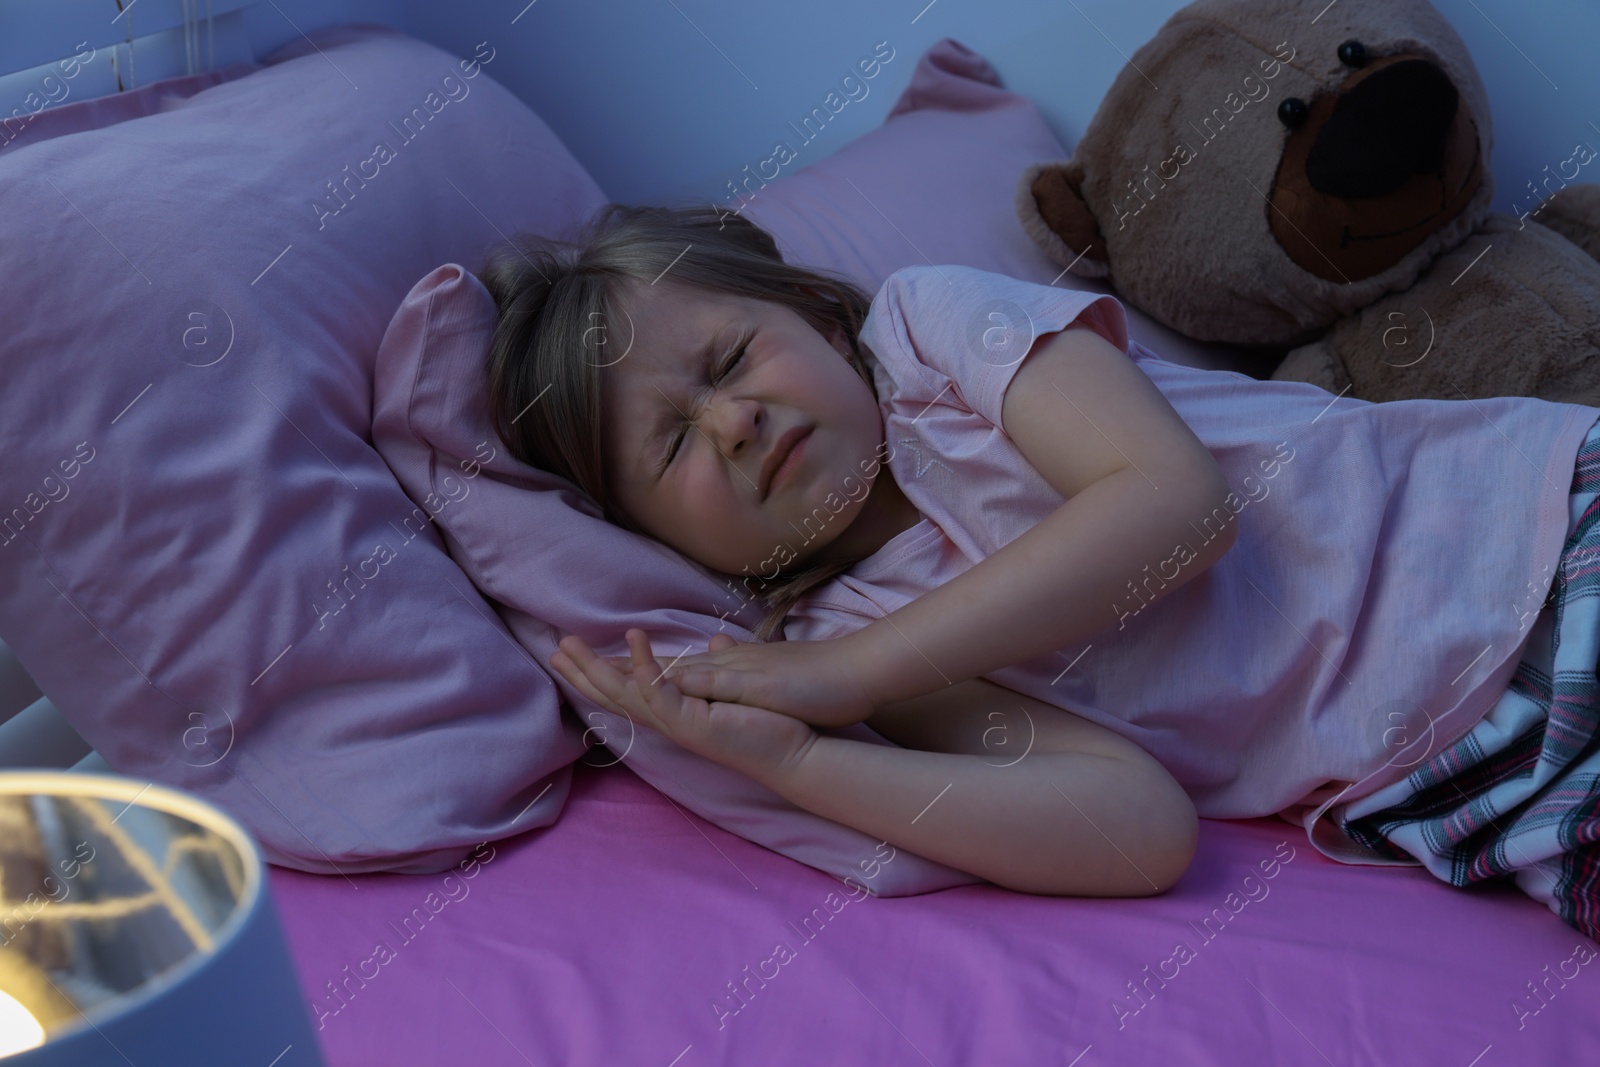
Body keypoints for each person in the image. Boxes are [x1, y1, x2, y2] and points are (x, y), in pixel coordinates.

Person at [480, 203, 1600, 940]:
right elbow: (1137, 829)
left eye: (730, 359)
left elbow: (1175, 507)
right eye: (671, 445)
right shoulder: (842, 642)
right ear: (659, 542)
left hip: (1526, 535)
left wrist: (857, 676)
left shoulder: (931, 337)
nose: (731, 420)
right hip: (1465, 777)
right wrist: (797, 759)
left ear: (820, 315)